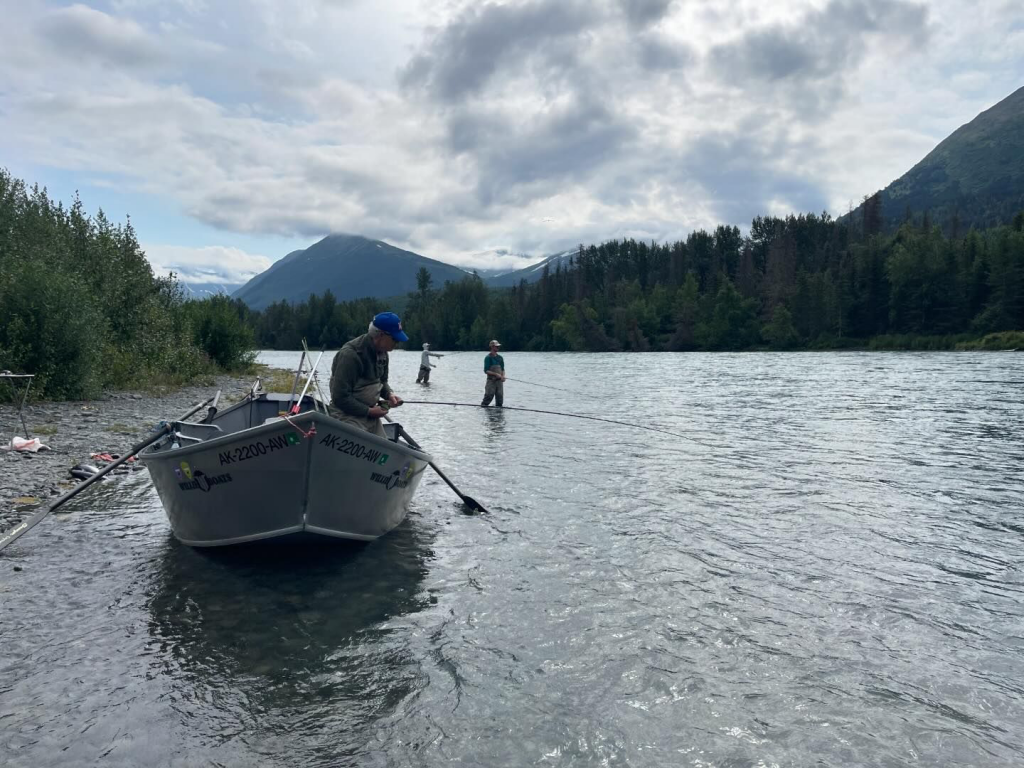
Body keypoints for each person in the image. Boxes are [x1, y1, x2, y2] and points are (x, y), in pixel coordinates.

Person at [329, 312, 406, 438]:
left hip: (371, 417)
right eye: (394, 338)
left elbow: (382, 382)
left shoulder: (383, 352)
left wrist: (389, 395)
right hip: (347, 417)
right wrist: (369, 411)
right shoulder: (350, 355)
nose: (397, 342)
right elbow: (340, 397)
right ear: (381, 335)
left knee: (384, 451)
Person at [481, 339, 506, 407]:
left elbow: (503, 369)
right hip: (491, 381)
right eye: (496, 346)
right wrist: (495, 374)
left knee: (500, 398)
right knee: (489, 396)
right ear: (492, 347)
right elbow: (486, 370)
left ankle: (498, 413)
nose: (498, 348)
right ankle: (484, 408)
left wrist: (503, 376)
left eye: (498, 346)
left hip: (499, 382)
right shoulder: (488, 358)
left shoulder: (500, 358)